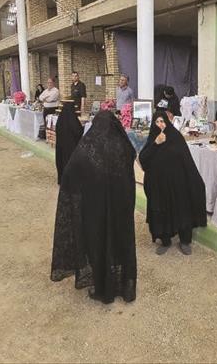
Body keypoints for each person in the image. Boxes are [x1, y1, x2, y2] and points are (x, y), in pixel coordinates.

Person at [50, 111, 137, 304]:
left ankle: (102, 286)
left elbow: (69, 172)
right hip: (120, 209)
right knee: (119, 243)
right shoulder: (122, 146)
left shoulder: (87, 147)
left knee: (97, 242)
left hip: (94, 209)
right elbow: (132, 158)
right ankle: (123, 285)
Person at [139, 111, 206, 255]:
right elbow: (143, 159)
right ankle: (165, 241)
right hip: (159, 185)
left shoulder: (175, 136)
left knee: (182, 209)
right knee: (161, 211)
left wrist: (193, 180)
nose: (160, 125)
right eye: (157, 122)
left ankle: (185, 241)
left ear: (167, 122)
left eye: (162, 121)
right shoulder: (152, 138)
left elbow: (186, 159)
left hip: (178, 184)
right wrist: (156, 144)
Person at [54, 102, 84, 184]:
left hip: (61, 147)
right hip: (71, 148)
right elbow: (78, 131)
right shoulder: (73, 120)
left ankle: (62, 180)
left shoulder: (60, 120)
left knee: (61, 162)